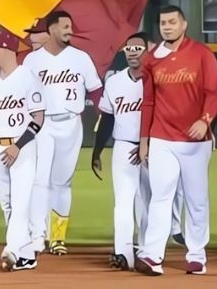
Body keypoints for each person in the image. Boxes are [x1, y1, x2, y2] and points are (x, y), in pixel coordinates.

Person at [134, 5, 217, 276]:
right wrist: (144, 139)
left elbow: (213, 93)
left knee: (196, 199)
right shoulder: (151, 58)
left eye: (172, 22)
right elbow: (148, 101)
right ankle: (152, 255)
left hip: (195, 141)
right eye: (163, 23)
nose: (167, 27)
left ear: (184, 24)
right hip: (162, 137)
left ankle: (196, 255)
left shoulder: (202, 54)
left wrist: (204, 120)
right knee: (161, 196)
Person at [21, 9, 102, 255]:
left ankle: (57, 238)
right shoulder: (32, 61)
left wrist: (105, 116)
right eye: (65, 26)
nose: (70, 30)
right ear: (52, 29)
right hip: (43, 125)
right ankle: (37, 235)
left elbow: (96, 91)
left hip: (71, 123)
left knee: (63, 182)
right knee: (40, 180)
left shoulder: (81, 57)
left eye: (71, 26)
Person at [0, 29, 46, 271]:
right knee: (7, 202)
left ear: (6, 50)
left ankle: (12, 249)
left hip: (23, 146)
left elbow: (38, 117)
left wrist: (19, 145)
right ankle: (26, 255)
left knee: (21, 201)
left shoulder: (27, 76)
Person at [90, 33, 151, 270]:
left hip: (153, 147)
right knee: (123, 202)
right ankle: (123, 252)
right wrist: (97, 151)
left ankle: (148, 250)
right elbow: (107, 118)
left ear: (148, 50)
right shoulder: (115, 82)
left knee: (149, 202)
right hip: (124, 145)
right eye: (129, 47)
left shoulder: (156, 79)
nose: (132, 51)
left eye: (138, 47)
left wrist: (151, 145)